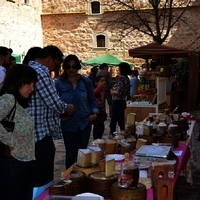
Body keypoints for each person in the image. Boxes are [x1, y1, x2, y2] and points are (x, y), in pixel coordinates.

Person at [28, 45, 75, 188]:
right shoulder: (41, 72)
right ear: (50, 59)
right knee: (42, 178)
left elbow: (41, 103)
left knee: (36, 176)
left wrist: (58, 115)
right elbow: (53, 101)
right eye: (57, 65)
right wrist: (67, 108)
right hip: (40, 134)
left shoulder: (30, 69)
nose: (56, 69)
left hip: (33, 133)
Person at [0, 64, 38, 200]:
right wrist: (10, 141)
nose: (32, 88)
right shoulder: (8, 99)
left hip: (23, 163)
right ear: (17, 81)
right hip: (12, 165)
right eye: (28, 83)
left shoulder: (17, 102)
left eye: (33, 84)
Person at [55, 54, 99, 169]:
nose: (71, 69)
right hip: (68, 123)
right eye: (68, 67)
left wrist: (95, 113)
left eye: (74, 66)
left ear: (78, 67)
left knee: (82, 154)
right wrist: (60, 114)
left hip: (84, 123)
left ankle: (80, 179)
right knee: (70, 153)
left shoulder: (86, 82)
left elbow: (92, 100)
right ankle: (69, 180)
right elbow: (55, 102)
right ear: (64, 68)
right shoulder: (59, 83)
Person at [110, 62, 132, 136]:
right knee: (120, 119)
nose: (118, 70)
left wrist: (112, 92)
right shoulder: (127, 78)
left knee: (114, 119)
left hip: (118, 101)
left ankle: (112, 134)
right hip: (122, 101)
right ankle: (122, 132)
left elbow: (119, 91)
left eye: (119, 68)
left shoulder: (121, 78)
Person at [93, 76, 106, 140]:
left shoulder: (102, 90)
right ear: (97, 83)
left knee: (101, 127)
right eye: (102, 81)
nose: (104, 82)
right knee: (98, 127)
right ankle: (96, 141)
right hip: (98, 112)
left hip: (101, 111)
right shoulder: (96, 91)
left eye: (104, 80)